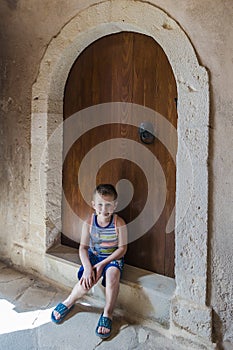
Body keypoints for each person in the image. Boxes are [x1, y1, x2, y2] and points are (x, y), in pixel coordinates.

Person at [51, 184, 128, 339]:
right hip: (94, 256)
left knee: (113, 276)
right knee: (88, 277)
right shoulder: (89, 223)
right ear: (93, 205)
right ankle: (69, 301)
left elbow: (122, 249)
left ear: (115, 206)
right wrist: (88, 267)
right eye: (99, 204)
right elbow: (83, 248)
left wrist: (102, 264)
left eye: (108, 205)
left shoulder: (119, 223)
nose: (103, 209)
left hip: (112, 257)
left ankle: (107, 314)